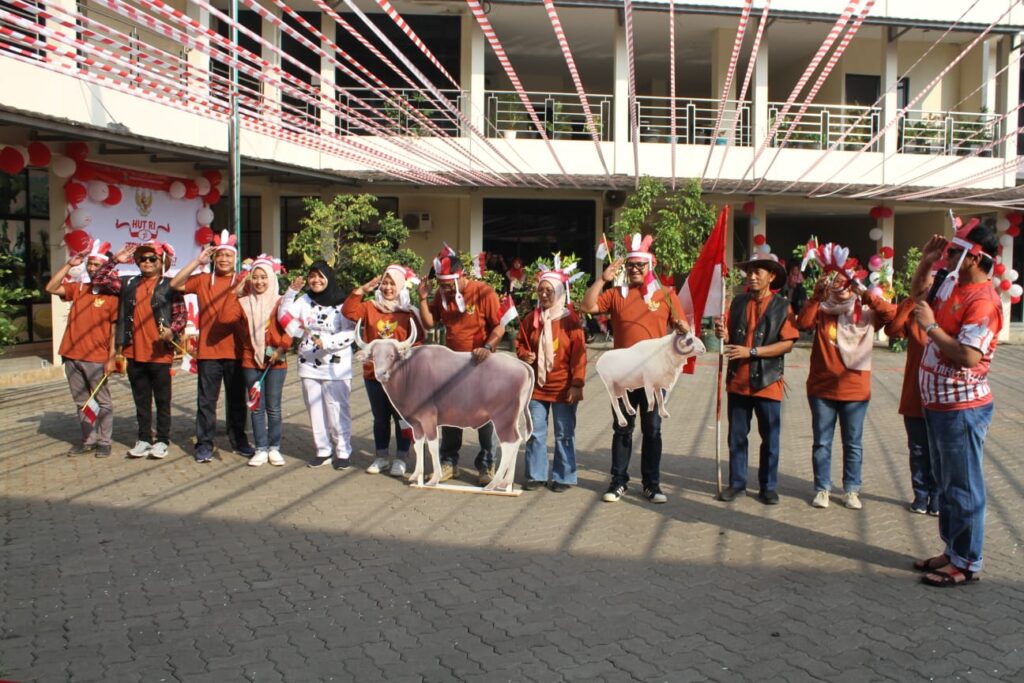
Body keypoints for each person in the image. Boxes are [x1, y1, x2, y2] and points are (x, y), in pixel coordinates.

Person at [910, 222, 1003, 588]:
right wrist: (926, 263)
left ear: (975, 257)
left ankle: (966, 562)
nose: (948, 257)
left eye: (953, 252)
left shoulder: (984, 302)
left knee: (963, 487)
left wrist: (932, 329)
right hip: (939, 405)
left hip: (962, 409)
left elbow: (967, 355)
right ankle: (953, 550)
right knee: (947, 485)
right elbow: (919, 296)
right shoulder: (951, 281)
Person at [580, 233, 690, 504]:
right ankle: (618, 481)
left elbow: (685, 329)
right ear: (626, 269)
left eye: (641, 265)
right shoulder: (617, 294)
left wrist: (682, 329)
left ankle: (652, 484)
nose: (636, 270)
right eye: (631, 266)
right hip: (623, 376)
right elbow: (587, 305)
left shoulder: (665, 294)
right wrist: (604, 279)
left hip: (655, 377)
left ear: (650, 266)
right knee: (622, 428)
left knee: (652, 430)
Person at [796, 244, 895, 510]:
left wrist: (863, 291)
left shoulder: (864, 308)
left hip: (855, 388)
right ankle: (822, 489)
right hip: (821, 387)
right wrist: (816, 296)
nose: (838, 283)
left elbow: (890, 315)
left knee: (853, 442)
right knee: (822, 442)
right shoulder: (822, 308)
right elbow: (803, 324)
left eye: (843, 278)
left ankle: (852, 489)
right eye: (833, 279)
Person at [714, 252, 799, 505]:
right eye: (749, 271)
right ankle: (737, 483)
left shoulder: (783, 305)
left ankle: (768, 486)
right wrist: (724, 333)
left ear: (771, 276)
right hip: (738, 380)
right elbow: (730, 339)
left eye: (757, 272)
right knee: (737, 436)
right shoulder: (738, 302)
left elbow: (787, 344)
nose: (751, 276)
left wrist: (751, 351)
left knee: (770, 438)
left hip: (768, 381)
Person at [417, 247, 505, 485]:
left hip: (481, 364)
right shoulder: (441, 295)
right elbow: (429, 324)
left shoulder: (484, 292)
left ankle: (487, 464)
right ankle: (448, 463)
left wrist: (487, 347)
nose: (445, 289)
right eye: (442, 285)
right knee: (450, 414)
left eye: (448, 285)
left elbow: (499, 327)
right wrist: (423, 298)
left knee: (484, 416)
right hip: (451, 366)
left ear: (462, 275)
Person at [92, 240, 185, 459]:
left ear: (161, 262)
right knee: (141, 400)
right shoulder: (128, 283)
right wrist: (115, 260)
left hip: (160, 353)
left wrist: (172, 330)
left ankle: (162, 440)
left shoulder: (171, 285)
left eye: (152, 258)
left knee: (162, 401)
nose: (147, 262)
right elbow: (99, 279)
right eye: (142, 258)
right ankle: (144, 438)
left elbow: (180, 314)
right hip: (134, 352)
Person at [169, 230, 252, 463]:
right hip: (208, 351)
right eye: (220, 255)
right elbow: (175, 284)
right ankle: (204, 443)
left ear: (234, 258)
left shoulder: (243, 281)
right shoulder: (204, 279)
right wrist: (197, 261)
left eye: (228, 255)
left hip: (236, 350)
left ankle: (239, 439)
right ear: (214, 258)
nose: (224, 259)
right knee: (206, 401)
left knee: (236, 400)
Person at [343, 264, 424, 477]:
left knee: (401, 417)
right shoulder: (370, 307)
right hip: (374, 374)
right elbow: (349, 311)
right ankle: (381, 457)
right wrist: (362, 290)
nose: (388, 288)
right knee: (380, 418)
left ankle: (401, 458)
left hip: (400, 378)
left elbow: (418, 342)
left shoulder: (409, 313)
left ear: (400, 286)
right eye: (385, 283)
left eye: (392, 284)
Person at [515, 260, 587, 492]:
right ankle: (536, 475)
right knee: (535, 433)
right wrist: (524, 354)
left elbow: (579, 355)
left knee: (564, 434)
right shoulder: (531, 319)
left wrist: (577, 384)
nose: (544, 294)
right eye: (541, 290)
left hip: (564, 388)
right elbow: (519, 343)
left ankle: (564, 476)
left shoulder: (570, 320)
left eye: (549, 290)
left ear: (559, 292)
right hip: (537, 388)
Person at [45, 240, 121, 457]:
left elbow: (115, 328)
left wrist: (111, 357)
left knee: (103, 401)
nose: (92, 268)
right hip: (71, 354)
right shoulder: (79, 288)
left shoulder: (112, 295)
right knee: (82, 402)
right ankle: (88, 440)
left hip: (97, 357)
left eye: (97, 265)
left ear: (106, 268)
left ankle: (105, 442)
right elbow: (50, 288)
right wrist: (69, 265)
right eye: (90, 264)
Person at [279, 261, 356, 469]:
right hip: (309, 364)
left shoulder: (343, 303)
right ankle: (323, 450)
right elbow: (283, 317)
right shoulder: (304, 300)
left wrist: (329, 342)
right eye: (312, 276)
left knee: (337, 409)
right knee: (315, 409)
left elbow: (351, 332)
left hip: (336, 366)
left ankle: (343, 451)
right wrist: (290, 293)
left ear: (329, 278)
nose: (316, 280)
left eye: (321, 276)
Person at [236, 255, 291, 468]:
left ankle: (274, 447)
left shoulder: (280, 301)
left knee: (274, 407)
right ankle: (260, 448)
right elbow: (228, 319)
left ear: (271, 278)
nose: (259, 282)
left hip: (276, 361)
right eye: (255, 277)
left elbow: (290, 329)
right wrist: (240, 285)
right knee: (256, 406)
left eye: (263, 277)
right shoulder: (242, 303)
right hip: (251, 361)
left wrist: (281, 348)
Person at [884, 296, 937, 515]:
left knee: (938, 450)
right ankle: (920, 496)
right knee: (917, 449)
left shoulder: (946, 311)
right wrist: (910, 302)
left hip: (940, 394)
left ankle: (938, 498)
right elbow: (893, 330)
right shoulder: (915, 312)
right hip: (915, 393)